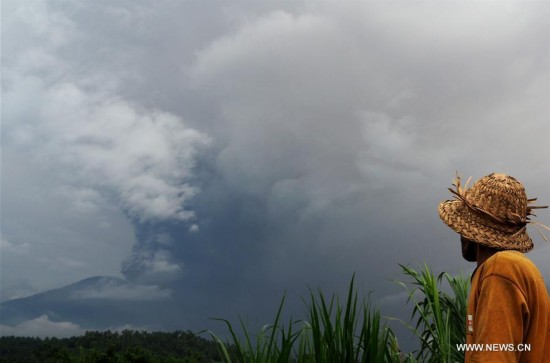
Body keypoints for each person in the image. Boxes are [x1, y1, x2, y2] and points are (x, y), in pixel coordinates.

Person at [438, 172, 550, 363]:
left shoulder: (500, 269)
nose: (460, 234)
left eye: (463, 227)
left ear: (473, 231)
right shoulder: (515, 267)